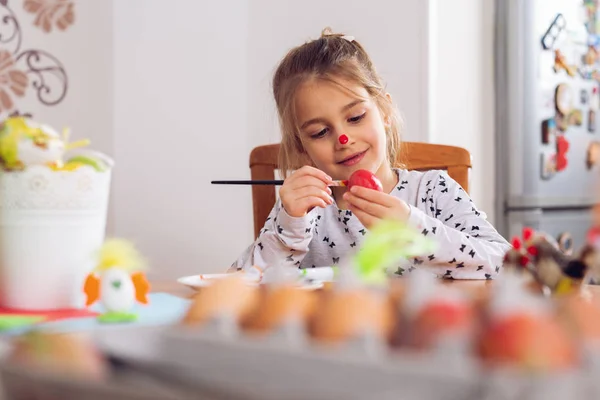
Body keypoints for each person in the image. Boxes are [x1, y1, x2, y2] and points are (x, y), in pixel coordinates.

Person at [230, 28, 511, 279]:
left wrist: (413, 229)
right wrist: (289, 227)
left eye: (355, 117)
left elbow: (508, 264)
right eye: (319, 132)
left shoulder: (433, 191)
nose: (343, 139)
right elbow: (238, 287)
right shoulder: (304, 210)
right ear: (302, 146)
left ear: (385, 112)